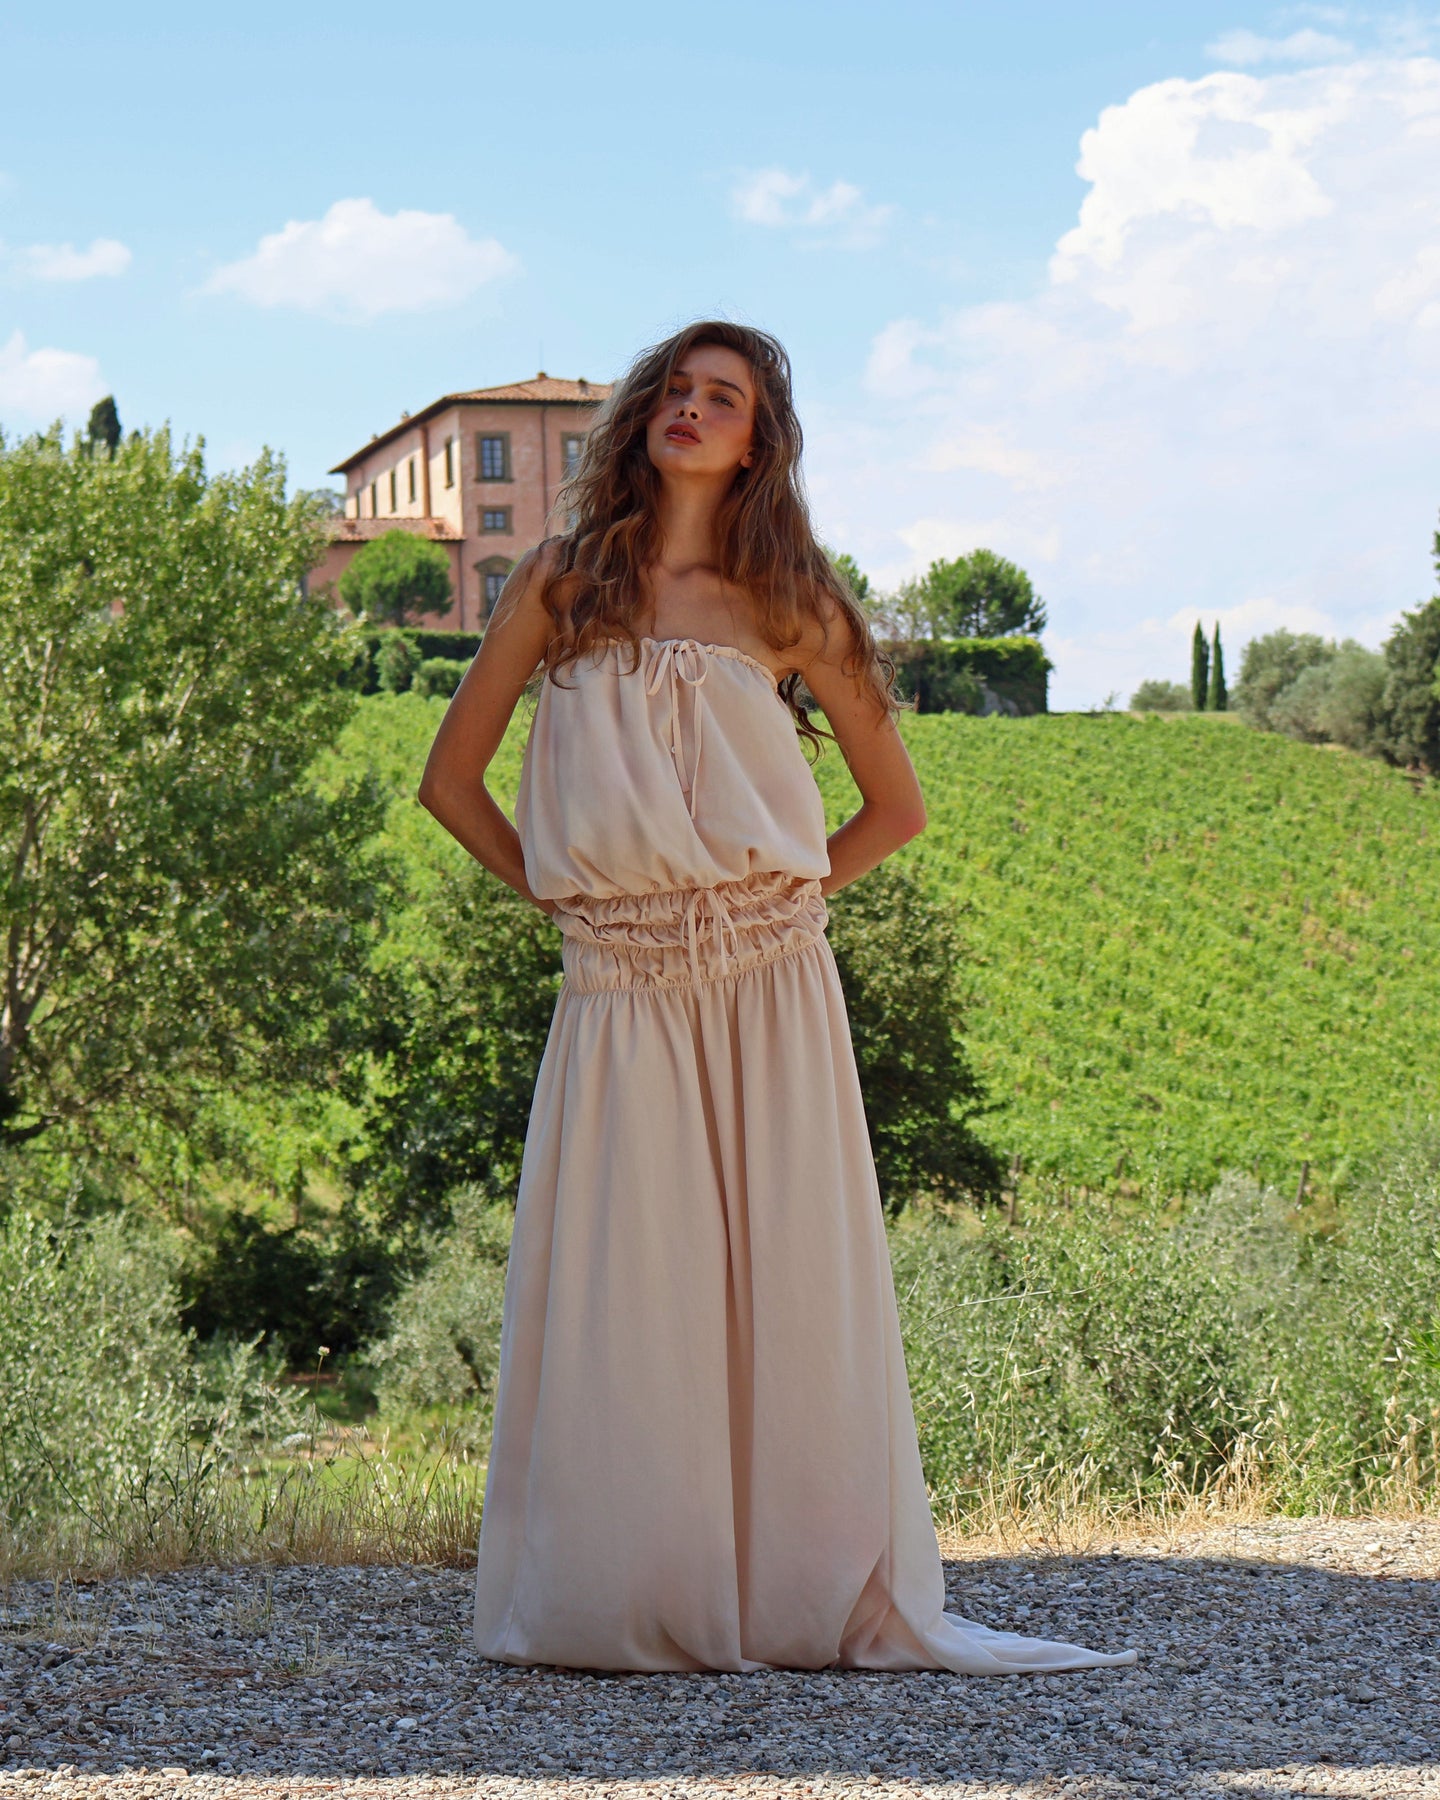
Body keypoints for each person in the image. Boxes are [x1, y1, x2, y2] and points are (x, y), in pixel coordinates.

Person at [417, 320, 1136, 1676]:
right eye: (675, 390)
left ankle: (796, 1595)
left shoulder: (793, 601)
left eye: (723, 398)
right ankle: (641, 1589)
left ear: (758, 442)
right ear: (643, 416)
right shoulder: (563, 582)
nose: (690, 410)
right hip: (620, 986)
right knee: (635, 1294)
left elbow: (895, 808)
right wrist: (573, 904)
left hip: (773, 980)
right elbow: (448, 785)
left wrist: (778, 909)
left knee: (791, 1289)